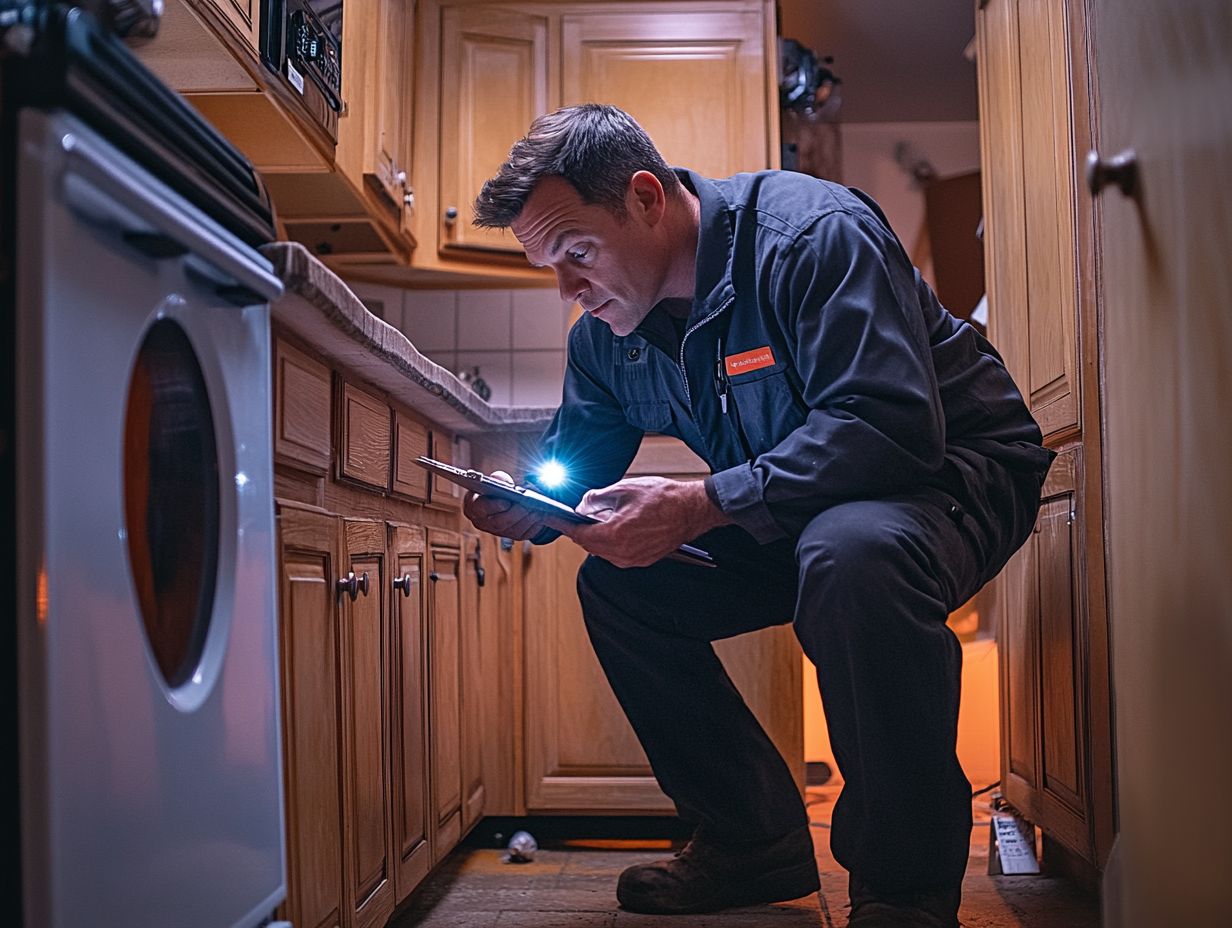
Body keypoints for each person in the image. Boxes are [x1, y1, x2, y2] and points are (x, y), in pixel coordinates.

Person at [462, 104, 1052, 927]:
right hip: (808, 502)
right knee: (622, 586)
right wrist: (530, 504)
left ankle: (905, 890)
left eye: (578, 254)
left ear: (646, 198)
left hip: (953, 470)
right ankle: (751, 842)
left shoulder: (812, 238)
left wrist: (704, 502)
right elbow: (579, 466)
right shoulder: (606, 337)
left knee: (853, 556)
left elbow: (889, 428)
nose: (568, 289)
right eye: (551, 268)